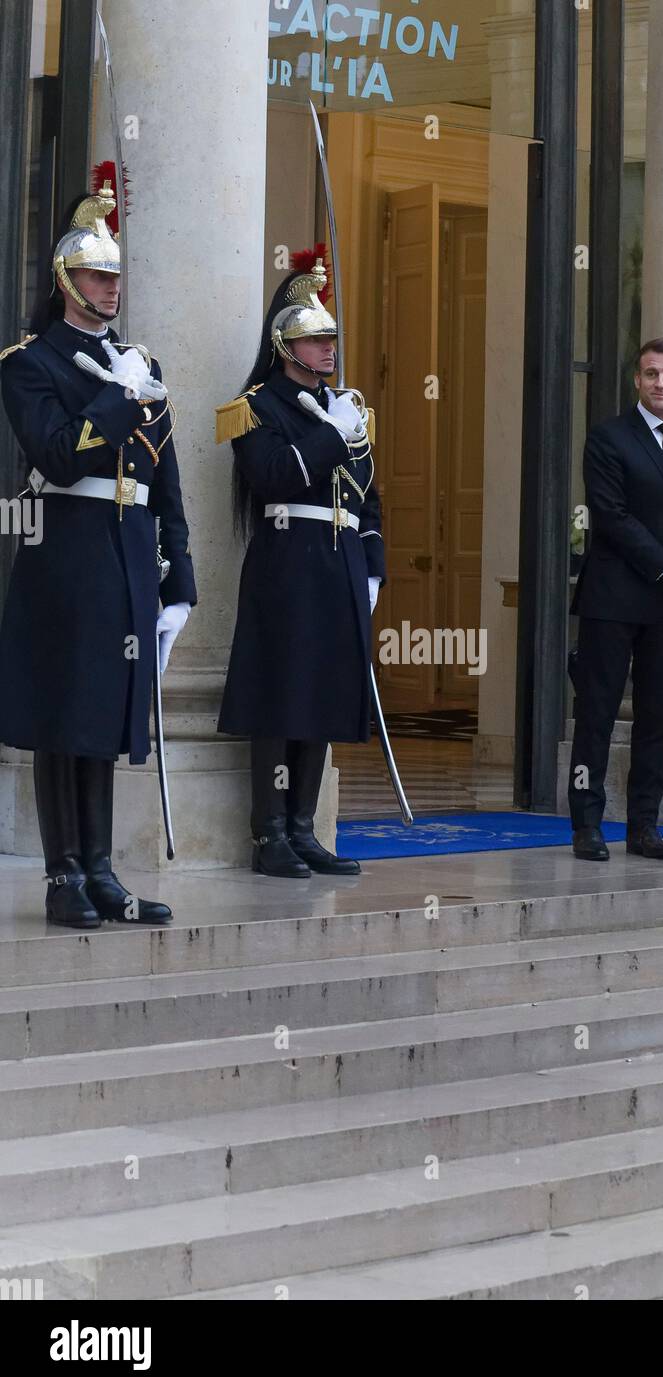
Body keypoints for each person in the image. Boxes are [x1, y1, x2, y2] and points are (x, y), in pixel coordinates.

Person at [0, 183, 196, 926]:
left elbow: (165, 483)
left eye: (116, 278)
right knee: (65, 718)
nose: (111, 289)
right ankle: (63, 876)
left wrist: (179, 572)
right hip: (69, 559)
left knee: (110, 720)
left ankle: (104, 872)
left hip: (127, 556)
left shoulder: (136, 364)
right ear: (65, 281)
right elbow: (56, 454)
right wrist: (114, 400)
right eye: (97, 277)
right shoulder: (30, 364)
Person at [216, 255, 385, 878]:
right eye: (316, 338)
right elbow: (273, 476)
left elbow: (371, 495)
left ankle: (304, 827)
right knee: (281, 694)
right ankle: (269, 834)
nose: (328, 348)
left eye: (332, 338)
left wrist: (372, 565)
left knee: (324, 695)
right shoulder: (255, 406)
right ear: (286, 343)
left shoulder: (347, 406)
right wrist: (332, 435)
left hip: (340, 561)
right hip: (286, 559)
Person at [569, 337, 663, 862]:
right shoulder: (608, 437)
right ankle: (586, 825)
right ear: (637, 380)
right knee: (597, 715)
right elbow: (611, 516)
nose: (660, 384)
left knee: (657, 719)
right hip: (613, 599)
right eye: (651, 374)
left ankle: (644, 827)